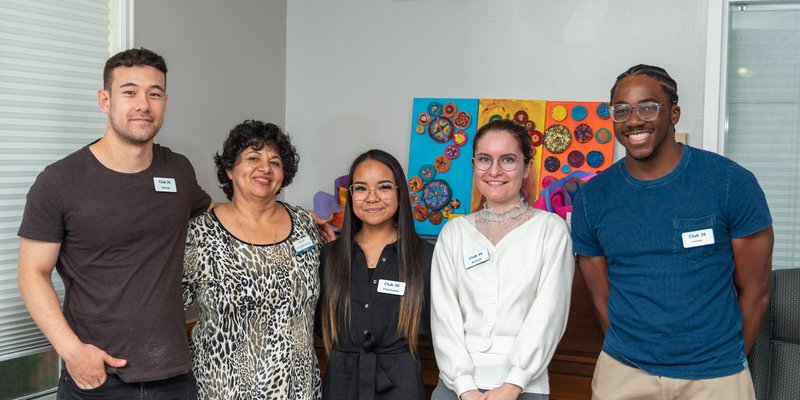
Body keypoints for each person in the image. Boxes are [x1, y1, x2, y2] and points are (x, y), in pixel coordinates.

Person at [571, 64, 774, 400]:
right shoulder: (593, 198)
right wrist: (637, 356)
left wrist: (723, 362)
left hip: (716, 378)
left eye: (648, 107)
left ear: (674, 113)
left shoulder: (729, 183)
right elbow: (601, 298)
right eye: (621, 110)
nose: (633, 120)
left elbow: (756, 292)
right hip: (624, 374)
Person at [17, 48, 211, 398]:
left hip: (174, 377)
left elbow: (222, 216)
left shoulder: (178, 171)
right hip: (97, 378)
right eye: (129, 91)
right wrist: (73, 352)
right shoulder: (58, 182)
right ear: (105, 100)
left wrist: (292, 218)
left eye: (154, 94)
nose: (143, 104)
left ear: (165, 102)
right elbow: (32, 273)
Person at [431, 119, 574, 400]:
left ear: (526, 167)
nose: (494, 171)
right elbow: (443, 315)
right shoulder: (454, 233)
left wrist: (513, 384)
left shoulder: (550, 229)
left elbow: (549, 312)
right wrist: (464, 387)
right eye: (484, 159)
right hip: (455, 387)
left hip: (525, 386)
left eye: (507, 160)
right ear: (473, 165)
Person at [182, 120, 324, 399]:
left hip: (298, 388)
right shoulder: (200, 233)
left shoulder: (306, 224)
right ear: (229, 170)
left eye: (275, 162)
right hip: (223, 389)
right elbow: (165, 306)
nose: (265, 168)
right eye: (253, 158)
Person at [318, 149, 434, 400]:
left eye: (383, 187)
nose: (371, 198)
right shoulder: (329, 257)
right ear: (351, 196)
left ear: (400, 193)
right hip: (341, 385)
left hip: (401, 386)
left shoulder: (426, 258)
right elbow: (317, 325)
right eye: (361, 188)